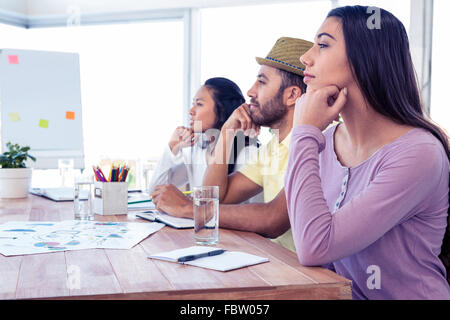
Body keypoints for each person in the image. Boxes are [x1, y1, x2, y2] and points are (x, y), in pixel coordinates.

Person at [285, 5, 450, 299]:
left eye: (322, 45)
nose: (305, 57)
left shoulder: (419, 154)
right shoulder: (323, 141)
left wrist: (303, 132)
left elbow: (314, 246)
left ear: (365, 58)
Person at [154, 37, 313, 252]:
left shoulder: (314, 144)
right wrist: (227, 133)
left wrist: (187, 208)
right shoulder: (272, 149)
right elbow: (220, 197)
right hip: (278, 263)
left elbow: (273, 220)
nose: (250, 91)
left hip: (307, 276)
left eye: (262, 82)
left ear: (292, 95)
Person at [149, 77, 261, 214]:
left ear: (222, 110)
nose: (191, 111)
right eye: (193, 104)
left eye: (199, 104)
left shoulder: (248, 154)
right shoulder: (198, 150)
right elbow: (155, 192)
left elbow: (221, 207)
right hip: (205, 231)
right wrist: (172, 148)